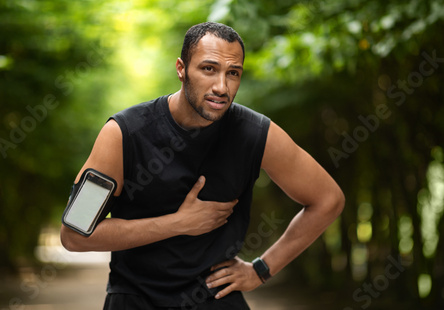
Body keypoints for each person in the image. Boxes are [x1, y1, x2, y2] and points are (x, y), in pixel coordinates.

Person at [60, 22, 345, 309]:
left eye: (233, 73)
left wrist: (261, 270)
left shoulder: (255, 133)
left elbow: (328, 199)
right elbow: (74, 234)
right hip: (135, 299)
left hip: (216, 297)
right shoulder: (123, 134)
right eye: (209, 69)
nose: (221, 87)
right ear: (181, 69)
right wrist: (177, 224)